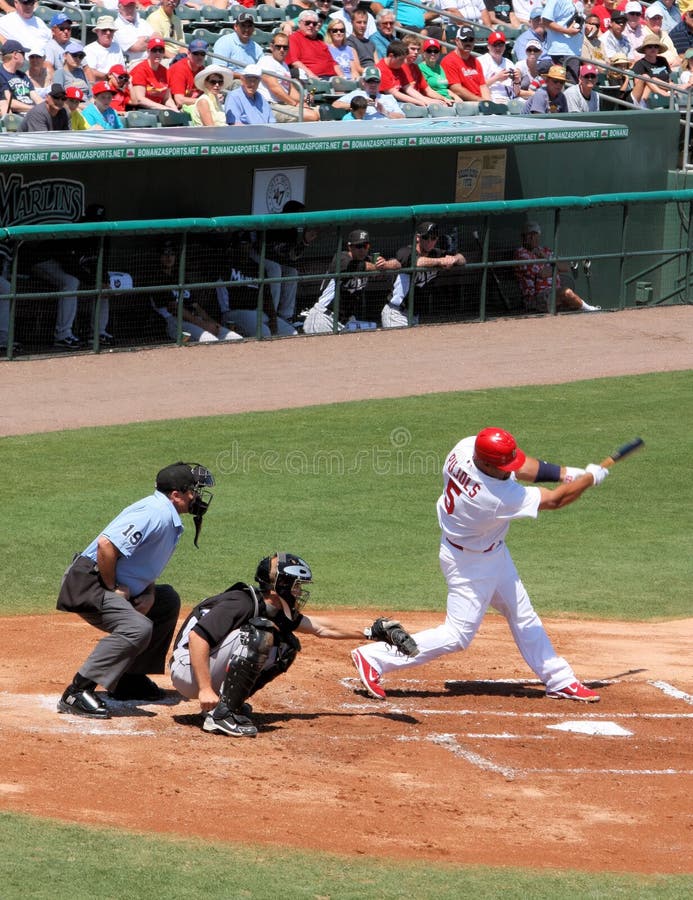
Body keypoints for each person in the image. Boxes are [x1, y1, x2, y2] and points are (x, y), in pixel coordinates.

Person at [351, 427, 609, 704]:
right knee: (457, 635)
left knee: (522, 614)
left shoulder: (466, 448)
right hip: (470, 564)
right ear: (486, 463)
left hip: (489, 552)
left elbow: (520, 466)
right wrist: (589, 479)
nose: (508, 468)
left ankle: (559, 679)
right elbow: (556, 499)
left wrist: (569, 474)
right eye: (501, 465)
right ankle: (374, 658)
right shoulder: (495, 498)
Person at [56, 462, 215, 720]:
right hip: (88, 582)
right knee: (137, 628)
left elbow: (140, 563)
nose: (196, 497)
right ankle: (77, 690)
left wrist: (150, 591)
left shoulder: (167, 515)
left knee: (166, 601)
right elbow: (106, 546)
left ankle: (127, 679)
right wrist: (112, 588)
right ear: (175, 495)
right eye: (192, 491)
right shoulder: (154, 513)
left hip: (109, 582)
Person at [169, 553, 376, 737]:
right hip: (188, 670)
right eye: (296, 585)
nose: (299, 591)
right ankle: (221, 717)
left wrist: (370, 632)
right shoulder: (242, 602)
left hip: (204, 665)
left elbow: (322, 628)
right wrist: (205, 688)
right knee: (258, 634)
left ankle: (228, 705)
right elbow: (197, 638)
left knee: (287, 646)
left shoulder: (274, 609)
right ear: (281, 586)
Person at [303, 228, 401, 334]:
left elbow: (397, 264)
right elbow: (359, 266)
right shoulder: (341, 258)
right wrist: (377, 267)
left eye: (365, 246)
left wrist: (386, 264)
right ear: (350, 247)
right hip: (324, 317)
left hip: (345, 320)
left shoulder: (369, 260)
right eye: (358, 246)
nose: (362, 250)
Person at [149, 239, 242, 341]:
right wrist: (203, 324)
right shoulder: (156, 278)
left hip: (193, 319)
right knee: (210, 340)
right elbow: (174, 308)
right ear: (158, 256)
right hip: (173, 322)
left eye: (172, 253)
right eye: (165, 253)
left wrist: (212, 322)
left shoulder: (180, 277)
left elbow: (196, 305)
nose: (169, 257)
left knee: (235, 338)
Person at [382, 221, 466, 329]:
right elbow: (417, 262)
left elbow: (462, 258)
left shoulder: (436, 253)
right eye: (426, 237)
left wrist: (454, 259)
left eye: (433, 238)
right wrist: (441, 261)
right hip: (396, 312)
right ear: (418, 237)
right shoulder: (406, 251)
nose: (429, 241)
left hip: (414, 315)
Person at [514, 220, 602, 311]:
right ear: (523, 237)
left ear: (538, 235)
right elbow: (542, 273)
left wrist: (545, 256)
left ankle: (589, 311)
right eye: (528, 234)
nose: (531, 237)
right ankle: (591, 310)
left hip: (554, 293)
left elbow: (566, 267)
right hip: (536, 298)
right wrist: (556, 267)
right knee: (566, 293)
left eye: (534, 234)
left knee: (569, 298)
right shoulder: (521, 253)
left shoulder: (545, 250)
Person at [258, 33, 321, 123]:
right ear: (271, 47)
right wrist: (295, 104)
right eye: (278, 47)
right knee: (312, 115)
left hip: (283, 104)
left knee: (321, 111)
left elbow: (291, 90)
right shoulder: (266, 61)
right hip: (271, 106)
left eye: (285, 47)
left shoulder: (284, 66)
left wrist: (304, 101)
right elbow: (275, 89)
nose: (282, 50)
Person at [286, 10, 342, 80]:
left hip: (333, 79)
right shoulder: (294, 38)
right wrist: (314, 77)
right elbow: (295, 62)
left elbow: (333, 63)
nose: (311, 25)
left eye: (314, 24)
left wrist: (342, 78)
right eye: (308, 23)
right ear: (299, 23)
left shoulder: (319, 40)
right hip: (314, 81)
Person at [441, 26, 492, 102]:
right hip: (464, 104)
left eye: (470, 40)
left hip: (480, 102)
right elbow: (456, 89)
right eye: (464, 40)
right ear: (457, 40)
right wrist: (480, 100)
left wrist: (488, 102)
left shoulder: (476, 61)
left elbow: (483, 86)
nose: (468, 43)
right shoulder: (449, 61)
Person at [332, 65, 404, 117]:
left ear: (380, 82)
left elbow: (402, 116)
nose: (373, 84)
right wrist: (359, 104)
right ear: (363, 81)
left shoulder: (388, 98)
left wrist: (385, 112)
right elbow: (335, 105)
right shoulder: (357, 94)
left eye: (376, 81)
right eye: (369, 81)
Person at [542, 0, 586, 83]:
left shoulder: (580, 2)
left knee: (572, 85)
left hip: (574, 51)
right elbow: (545, 20)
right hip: (562, 51)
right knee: (568, 86)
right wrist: (567, 31)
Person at [130, 36, 178, 111]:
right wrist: (164, 108)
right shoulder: (140, 70)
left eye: (161, 50)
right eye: (154, 50)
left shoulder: (165, 71)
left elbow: (167, 98)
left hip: (159, 109)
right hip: (142, 110)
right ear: (148, 51)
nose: (158, 53)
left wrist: (174, 110)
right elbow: (139, 99)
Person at [0, 39, 42, 115]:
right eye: (23, 53)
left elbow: (36, 97)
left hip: (32, 114)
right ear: (15, 55)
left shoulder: (23, 75)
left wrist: (46, 107)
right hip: (17, 118)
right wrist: (34, 109)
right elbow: (9, 103)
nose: (25, 58)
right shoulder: (1, 74)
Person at [478, 30, 522, 104]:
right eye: (495, 45)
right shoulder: (481, 61)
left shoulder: (509, 63)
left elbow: (516, 92)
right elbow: (477, 86)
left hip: (509, 98)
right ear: (488, 46)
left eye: (500, 45)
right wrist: (496, 78)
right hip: (491, 98)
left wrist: (517, 81)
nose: (498, 48)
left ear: (504, 47)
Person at [167, 38, 208, 110]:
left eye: (202, 54)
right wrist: (205, 101)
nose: (199, 57)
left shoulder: (202, 70)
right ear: (188, 54)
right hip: (174, 109)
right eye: (196, 53)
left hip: (191, 106)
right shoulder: (179, 69)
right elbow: (179, 100)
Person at [631, 33, 671, 104]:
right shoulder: (640, 64)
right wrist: (656, 84)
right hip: (646, 95)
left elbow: (669, 79)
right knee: (647, 78)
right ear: (644, 49)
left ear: (658, 49)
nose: (653, 49)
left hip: (666, 90)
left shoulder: (663, 60)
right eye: (650, 46)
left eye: (656, 46)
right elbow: (638, 84)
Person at [84, 17, 126, 84]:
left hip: (118, 84)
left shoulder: (116, 46)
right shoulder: (89, 49)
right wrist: (110, 77)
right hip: (100, 87)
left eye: (111, 30)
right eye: (104, 30)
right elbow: (90, 72)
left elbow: (122, 68)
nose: (108, 33)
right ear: (97, 32)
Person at [115, 0, 154, 66]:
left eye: (132, 6)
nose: (130, 10)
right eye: (126, 7)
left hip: (151, 61)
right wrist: (151, 41)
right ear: (120, 9)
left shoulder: (142, 22)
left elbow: (157, 37)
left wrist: (145, 39)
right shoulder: (117, 26)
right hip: (133, 64)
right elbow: (136, 47)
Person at [44, 12, 74, 77]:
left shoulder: (75, 45)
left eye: (68, 28)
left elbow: (86, 68)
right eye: (62, 28)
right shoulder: (49, 46)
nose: (66, 31)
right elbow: (48, 67)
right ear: (53, 31)